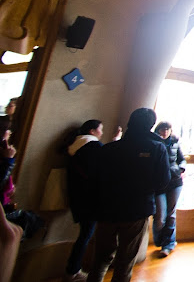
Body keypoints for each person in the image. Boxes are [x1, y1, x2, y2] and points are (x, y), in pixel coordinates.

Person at [87, 108, 170, 282]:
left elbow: (95, 177)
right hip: (137, 208)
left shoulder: (109, 148)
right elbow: (163, 181)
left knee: (101, 258)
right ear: (151, 125)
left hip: (106, 208)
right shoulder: (157, 148)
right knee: (125, 260)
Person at [64, 119, 120, 282]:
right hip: (91, 199)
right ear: (92, 131)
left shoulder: (76, 146)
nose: (101, 133)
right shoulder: (93, 146)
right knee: (86, 236)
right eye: (100, 129)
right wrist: (116, 140)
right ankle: (72, 271)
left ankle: (72, 270)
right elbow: (107, 162)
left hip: (77, 197)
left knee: (84, 234)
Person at [152, 121, 185, 258]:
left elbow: (182, 159)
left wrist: (181, 169)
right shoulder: (153, 143)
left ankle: (168, 244)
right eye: (162, 129)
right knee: (159, 216)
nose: (165, 132)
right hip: (158, 183)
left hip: (175, 181)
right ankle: (159, 240)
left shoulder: (175, 143)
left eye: (167, 129)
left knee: (171, 214)